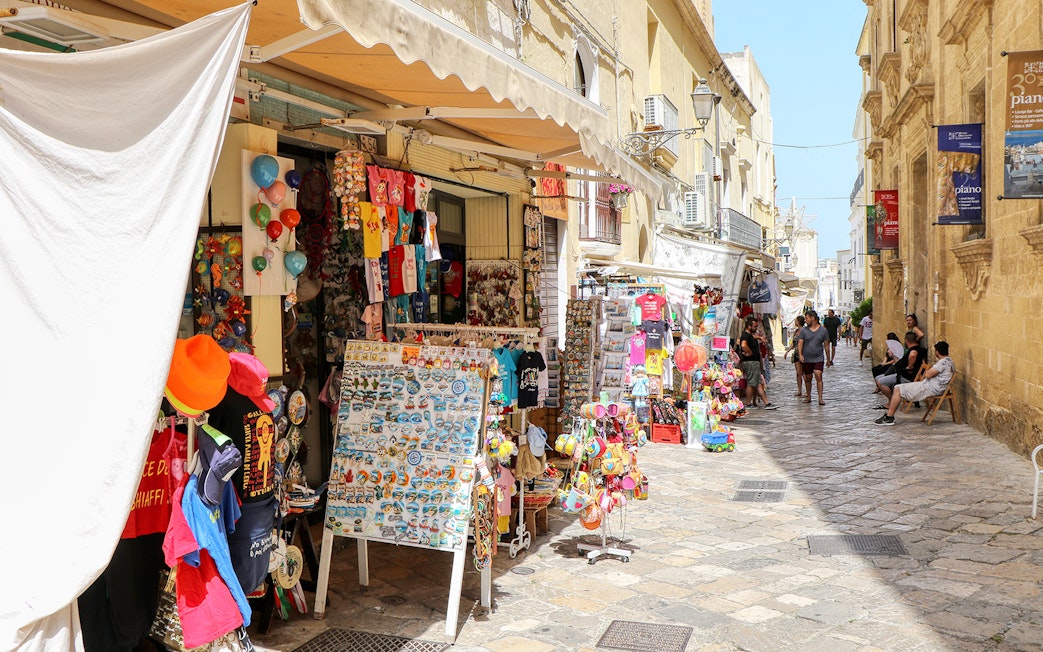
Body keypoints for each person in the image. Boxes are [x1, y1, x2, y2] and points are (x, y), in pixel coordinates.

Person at [875, 341, 954, 425]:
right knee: (898, 387)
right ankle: (889, 415)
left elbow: (927, 374)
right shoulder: (950, 361)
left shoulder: (943, 363)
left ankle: (889, 417)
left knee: (897, 389)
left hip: (930, 388)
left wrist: (927, 371)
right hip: (933, 386)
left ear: (937, 351)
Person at [874, 331, 928, 403]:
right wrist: (893, 356)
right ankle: (892, 400)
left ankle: (891, 402)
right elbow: (899, 363)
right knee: (878, 378)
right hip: (901, 373)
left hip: (905, 377)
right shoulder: (914, 349)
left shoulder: (914, 350)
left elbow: (913, 354)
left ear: (907, 340)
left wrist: (909, 366)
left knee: (880, 382)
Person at [739, 316, 777, 410]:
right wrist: (749, 352)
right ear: (749, 326)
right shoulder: (745, 335)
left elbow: (752, 337)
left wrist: (760, 337)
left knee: (758, 383)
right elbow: (743, 344)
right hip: (751, 362)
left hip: (754, 362)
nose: (756, 328)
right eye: (755, 326)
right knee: (751, 383)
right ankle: (748, 403)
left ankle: (766, 403)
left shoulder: (749, 335)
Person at [797, 310, 830, 405]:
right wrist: (800, 354)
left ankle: (820, 398)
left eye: (807, 318)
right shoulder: (804, 330)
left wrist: (828, 359)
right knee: (808, 378)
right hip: (807, 358)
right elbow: (800, 343)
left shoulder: (823, 330)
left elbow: (826, 345)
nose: (805, 320)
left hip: (818, 358)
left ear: (813, 318)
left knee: (818, 375)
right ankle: (809, 396)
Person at [783, 315, 808, 398]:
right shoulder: (796, 331)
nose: (795, 322)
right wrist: (787, 352)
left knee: (804, 373)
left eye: (796, 321)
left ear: (799, 322)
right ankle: (799, 390)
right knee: (798, 373)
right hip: (796, 354)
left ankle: (807, 391)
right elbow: (793, 343)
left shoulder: (805, 331)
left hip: (804, 353)